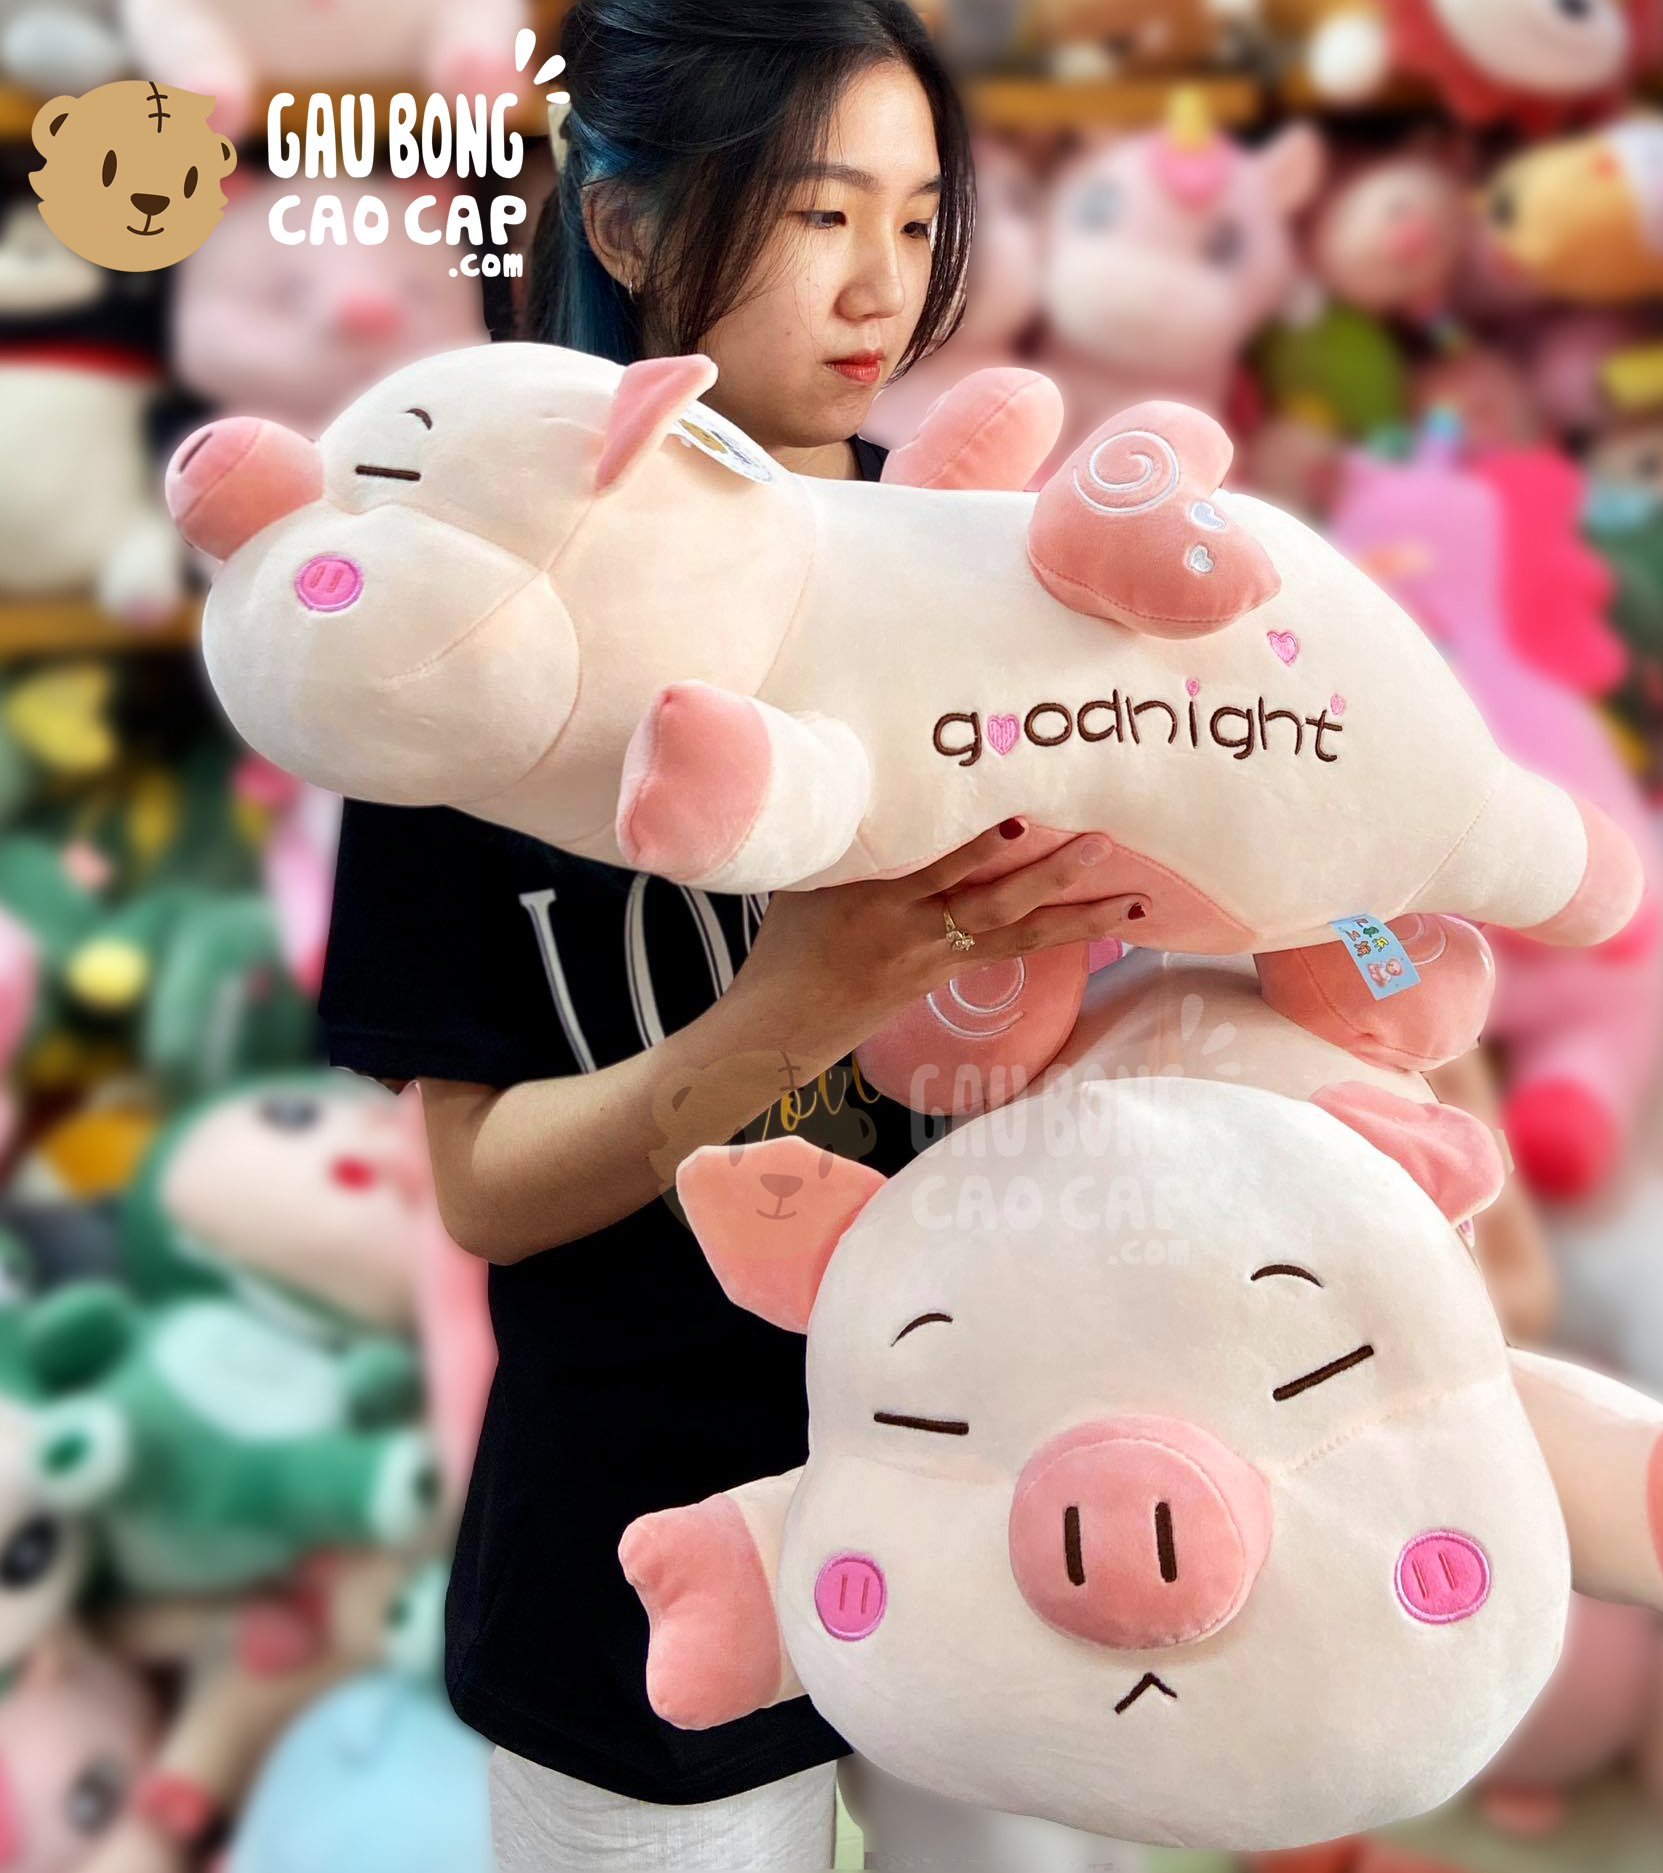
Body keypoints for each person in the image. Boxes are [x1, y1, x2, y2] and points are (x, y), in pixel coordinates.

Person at [316, 3, 1150, 1867]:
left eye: (916, 220)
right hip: (633, 1539)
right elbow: (485, 1187)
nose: (880, 288)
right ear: (625, 224)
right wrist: (787, 1011)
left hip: (996, 1481)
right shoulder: (467, 641)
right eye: (817, 215)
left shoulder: (988, 572)